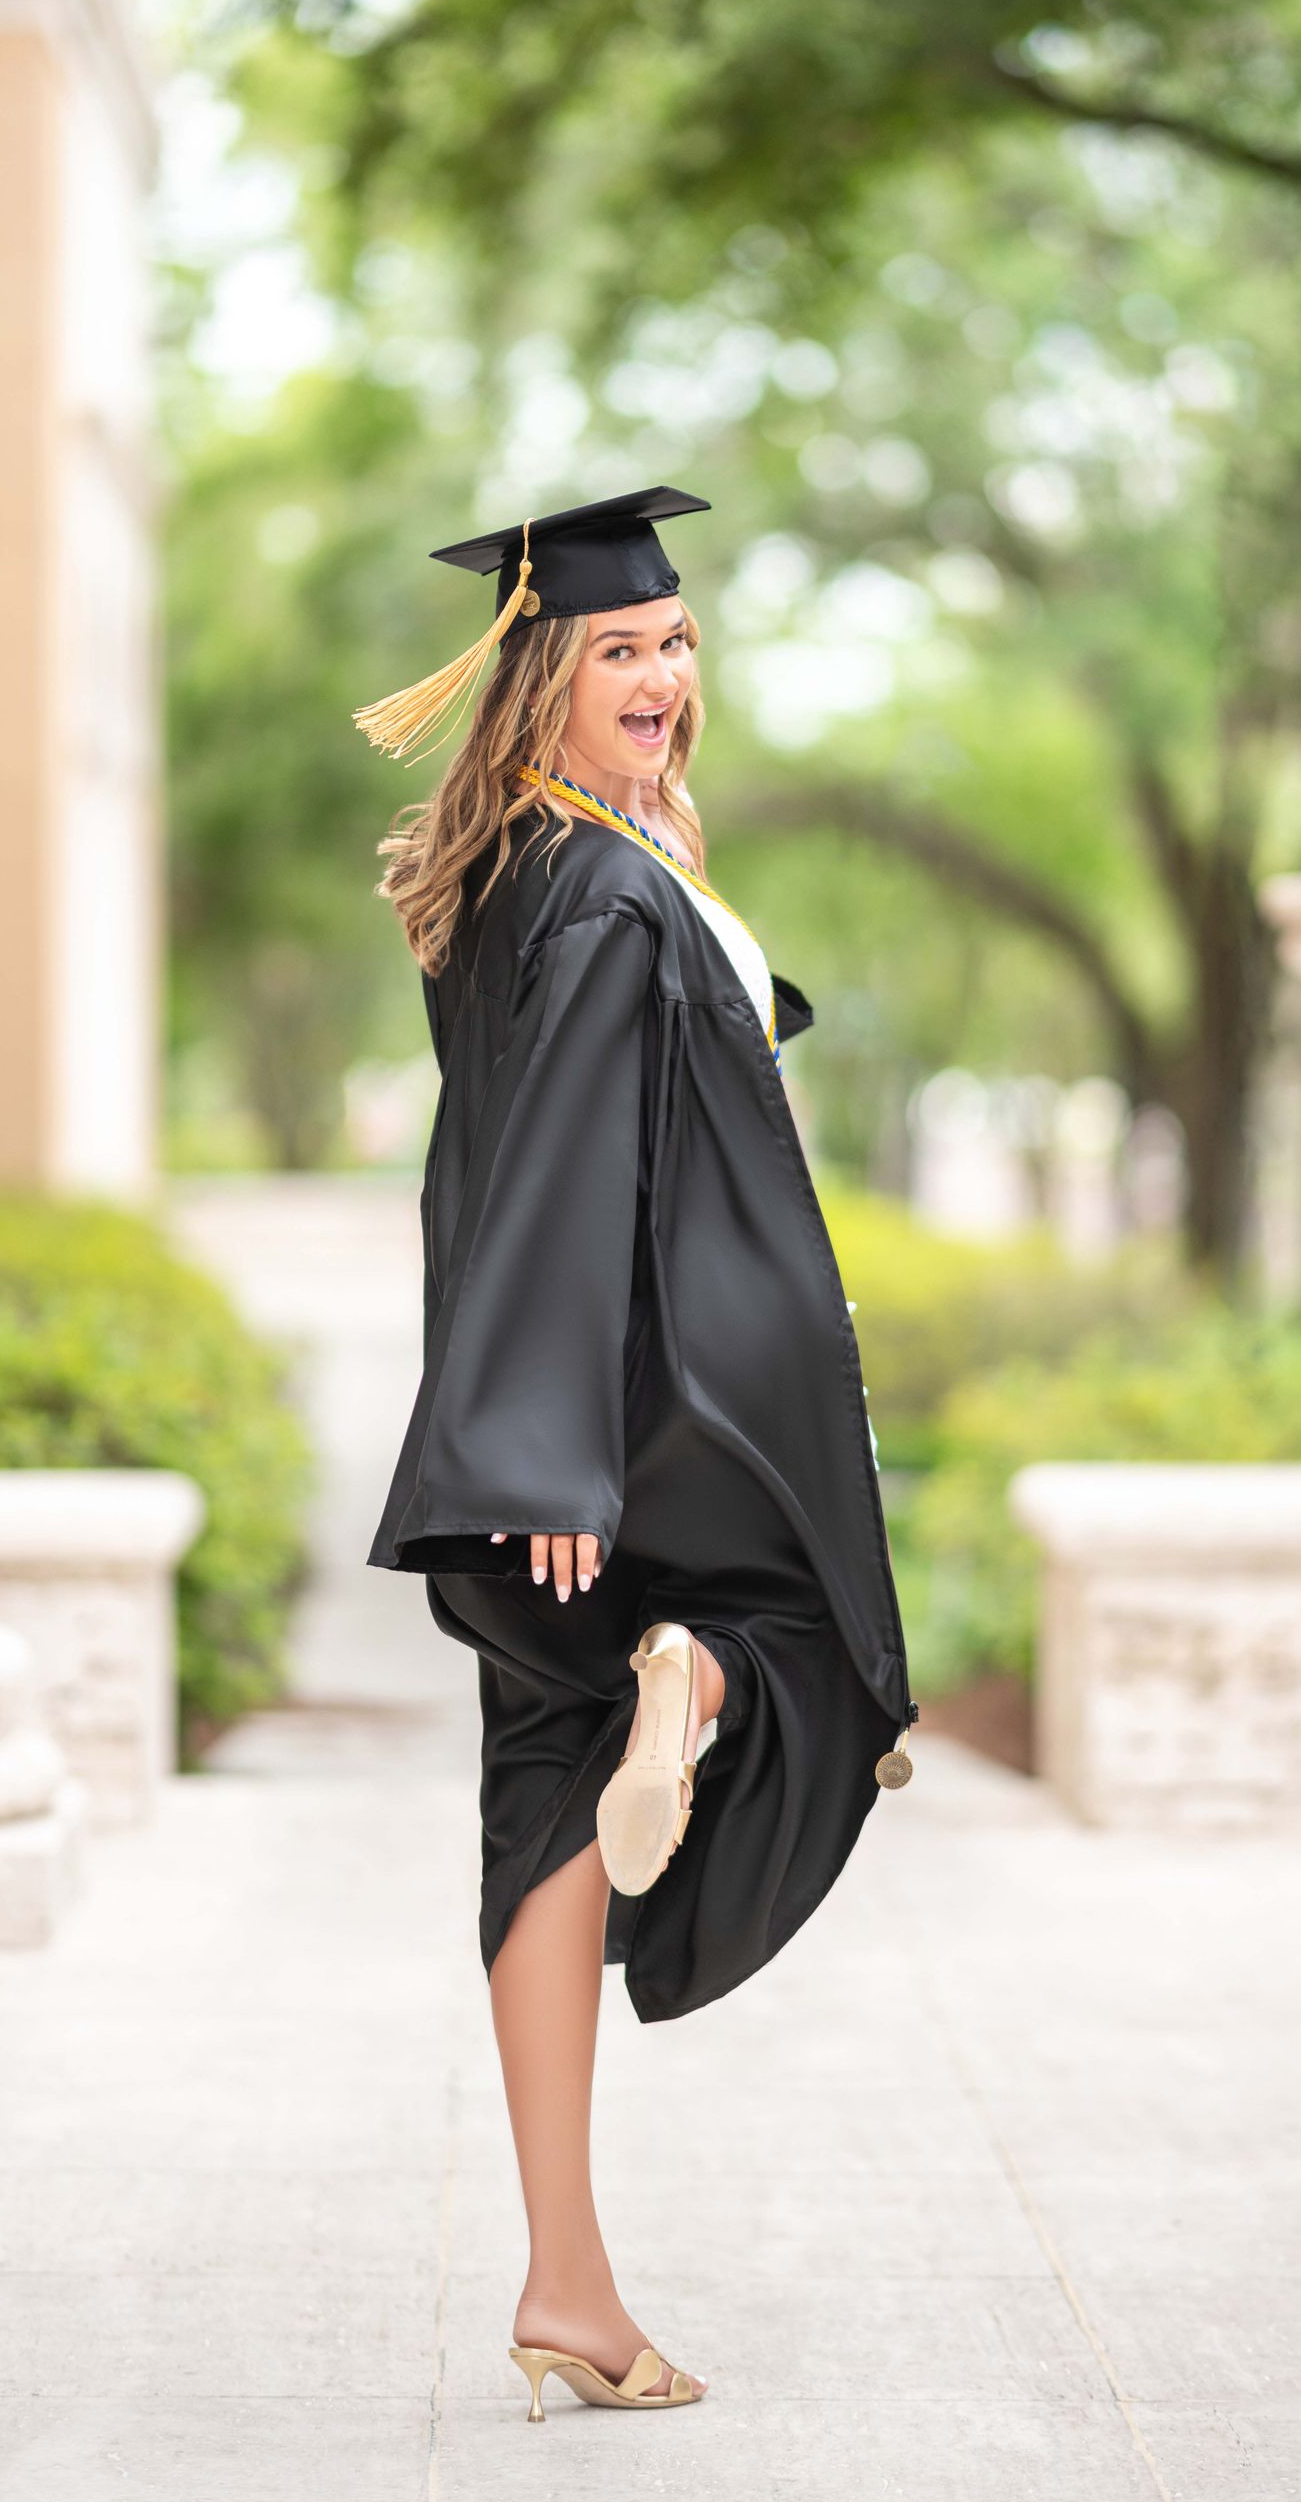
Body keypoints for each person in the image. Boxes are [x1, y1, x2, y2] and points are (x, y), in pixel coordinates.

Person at [355, 486, 916, 2423]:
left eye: (674, 644)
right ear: (539, 678)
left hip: (569, 1409)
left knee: (537, 1805)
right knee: (808, 1666)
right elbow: (574, 1168)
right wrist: (550, 1453)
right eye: (619, 651)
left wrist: (517, 1436)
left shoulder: (524, 866)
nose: (663, 676)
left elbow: (509, 1158)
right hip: (642, 1407)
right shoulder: (601, 895)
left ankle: (567, 2280)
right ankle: (713, 1684)